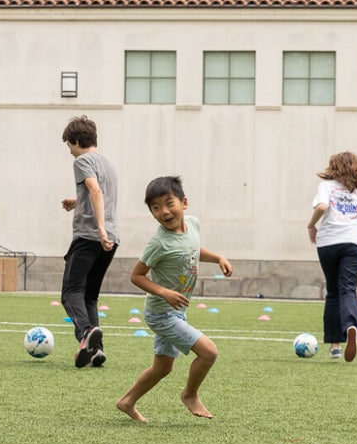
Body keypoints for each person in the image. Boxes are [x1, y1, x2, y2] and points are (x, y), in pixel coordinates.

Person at [116, 176, 232, 423]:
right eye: (155, 208)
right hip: (161, 314)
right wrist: (164, 292)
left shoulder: (193, 224)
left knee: (163, 368)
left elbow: (193, 248)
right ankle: (190, 394)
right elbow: (136, 276)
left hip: (176, 312)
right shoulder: (158, 243)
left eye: (169, 203)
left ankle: (127, 401)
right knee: (209, 353)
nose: (164, 211)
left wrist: (218, 258)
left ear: (184, 203)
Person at [60, 115, 119, 368]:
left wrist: (100, 228)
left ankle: (85, 335)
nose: (70, 152)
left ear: (76, 140)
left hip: (89, 236)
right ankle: (97, 351)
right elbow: (98, 193)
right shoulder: (108, 164)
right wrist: (77, 201)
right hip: (111, 241)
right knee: (90, 296)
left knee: (70, 292)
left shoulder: (82, 161)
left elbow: (95, 190)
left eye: (69, 146)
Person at [307, 151, 357, 362]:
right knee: (348, 289)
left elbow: (322, 206)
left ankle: (335, 345)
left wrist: (311, 225)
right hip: (353, 244)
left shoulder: (326, 186)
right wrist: (352, 230)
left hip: (328, 243)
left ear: (333, 167)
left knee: (333, 290)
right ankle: (351, 326)